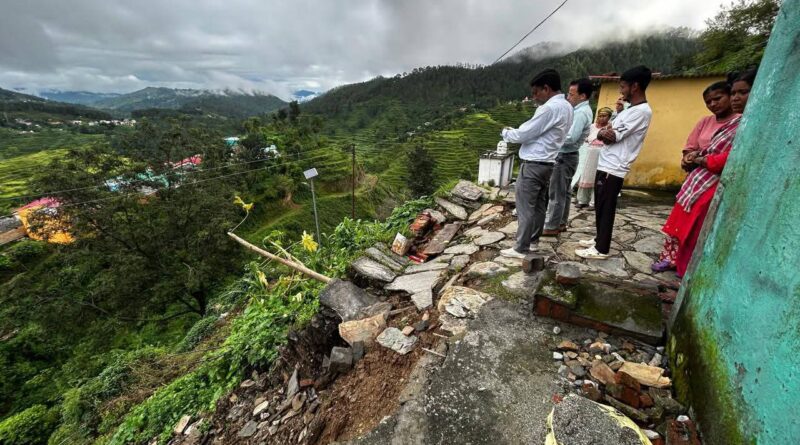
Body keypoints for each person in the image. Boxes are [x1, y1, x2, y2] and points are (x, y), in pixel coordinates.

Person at [657, 69, 755, 277]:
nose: (713, 104)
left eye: (718, 99)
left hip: (712, 182)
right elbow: (691, 145)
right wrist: (688, 157)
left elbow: (724, 157)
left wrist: (701, 160)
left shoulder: (740, 124)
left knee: (696, 228)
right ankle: (671, 259)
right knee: (679, 223)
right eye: (708, 102)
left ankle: (686, 269)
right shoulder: (705, 122)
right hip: (696, 179)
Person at [576, 65, 653, 260]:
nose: (621, 90)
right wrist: (604, 132)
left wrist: (601, 133)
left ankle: (601, 249)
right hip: (606, 163)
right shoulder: (630, 110)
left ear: (635, 86)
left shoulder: (641, 111)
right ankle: (598, 239)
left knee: (606, 207)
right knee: (601, 206)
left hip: (614, 167)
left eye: (623, 86)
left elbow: (611, 136)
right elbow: (608, 131)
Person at [500, 69, 574, 259]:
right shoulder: (567, 107)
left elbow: (525, 133)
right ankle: (533, 241)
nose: (534, 97)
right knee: (540, 205)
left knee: (526, 207)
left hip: (533, 164)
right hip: (548, 164)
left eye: (536, 92)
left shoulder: (549, 108)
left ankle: (520, 248)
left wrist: (507, 133)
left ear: (546, 89)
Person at [542, 78, 594, 236]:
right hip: (569, 156)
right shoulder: (581, 111)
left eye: (572, 94)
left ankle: (551, 226)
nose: (568, 97)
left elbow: (571, 137)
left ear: (583, 96)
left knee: (556, 193)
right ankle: (561, 223)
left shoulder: (580, 113)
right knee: (564, 192)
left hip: (564, 155)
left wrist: (553, 138)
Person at [575, 107, 613, 209]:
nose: (602, 118)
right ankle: (582, 200)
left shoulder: (610, 128)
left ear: (609, 117)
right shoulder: (592, 127)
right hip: (590, 153)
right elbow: (586, 139)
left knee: (598, 178)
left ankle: (593, 202)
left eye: (604, 116)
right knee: (586, 175)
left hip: (602, 155)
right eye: (600, 116)